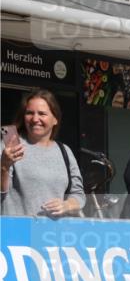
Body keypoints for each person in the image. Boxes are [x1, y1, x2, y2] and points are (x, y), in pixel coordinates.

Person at [1, 89, 84, 217]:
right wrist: (4, 166)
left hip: (52, 234)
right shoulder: (9, 146)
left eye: (42, 114)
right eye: (30, 113)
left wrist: (66, 205)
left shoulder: (64, 151)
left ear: (55, 119)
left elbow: (78, 194)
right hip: (20, 232)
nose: (35, 119)